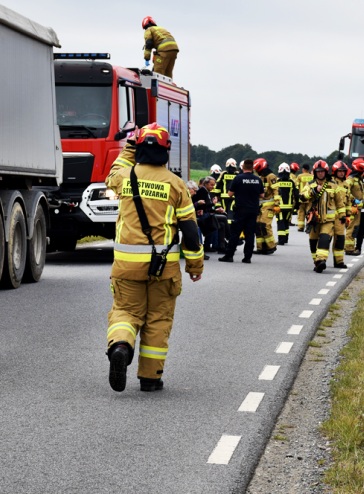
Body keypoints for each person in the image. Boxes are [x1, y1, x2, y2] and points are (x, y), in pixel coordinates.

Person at [104, 123, 203, 393]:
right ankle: (150, 379)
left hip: (126, 267)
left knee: (125, 313)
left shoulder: (124, 176)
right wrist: (195, 265)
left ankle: (121, 347)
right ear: (166, 151)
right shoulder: (176, 184)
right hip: (164, 269)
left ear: (140, 149)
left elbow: (112, 171)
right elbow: (191, 232)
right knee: (158, 320)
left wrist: (129, 146)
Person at [301, 160, 346, 273]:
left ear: (326, 172)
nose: (320, 173)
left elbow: (340, 203)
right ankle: (316, 262)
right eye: (318, 171)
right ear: (315, 173)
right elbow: (301, 198)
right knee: (313, 243)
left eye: (322, 171)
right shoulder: (310, 185)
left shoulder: (333, 185)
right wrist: (313, 191)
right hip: (314, 220)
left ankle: (322, 261)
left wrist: (343, 215)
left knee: (324, 240)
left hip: (328, 221)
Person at [219, 159, 264, 263]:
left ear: (243, 167)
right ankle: (247, 257)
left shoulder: (238, 178)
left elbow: (230, 194)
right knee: (250, 233)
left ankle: (229, 256)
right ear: (252, 168)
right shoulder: (258, 179)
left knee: (235, 233)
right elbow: (262, 195)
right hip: (253, 210)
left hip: (240, 210)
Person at [254, 158, 279, 255]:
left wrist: (277, 204)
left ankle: (271, 246)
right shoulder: (260, 177)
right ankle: (260, 248)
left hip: (269, 205)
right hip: (260, 205)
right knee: (257, 225)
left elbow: (276, 190)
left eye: (258, 170)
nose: (257, 172)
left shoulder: (271, 176)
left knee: (265, 224)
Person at [329, 161, 352, 268]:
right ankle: (320, 260)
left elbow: (348, 202)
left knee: (340, 239)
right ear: (335, 172)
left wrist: (348, 215)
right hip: (329, 216)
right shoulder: (330, 182)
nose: (342, 173)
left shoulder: (346, 185)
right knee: (326, 239)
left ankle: (339, 262)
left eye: (343, 171)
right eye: (340, 171)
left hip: (340, 218)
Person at [343, 159, 364, 255]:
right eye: (363, 169)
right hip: (353, 208)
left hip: (358, 209)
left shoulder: (358, 179)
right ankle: (349, 248)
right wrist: (353, 200)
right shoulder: (351, 179)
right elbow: (345, 190)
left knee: (355, 228)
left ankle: (350, 247)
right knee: (352, 228)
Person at [273, 163, 298, 245]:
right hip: (289, 207)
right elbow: (296, 194)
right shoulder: (292, 182)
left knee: (280, 222)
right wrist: (297, 205)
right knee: (286, 222)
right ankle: (286, 239)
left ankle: (281, 240)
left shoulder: (277, 181)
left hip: (279, 206)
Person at [216, 159, 239, 224]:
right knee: (231, 210)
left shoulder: (223, 174)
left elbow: (218, 185)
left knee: (224, 211)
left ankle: (224, 225)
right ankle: (229, 227)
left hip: (223, 197)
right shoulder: (237, 174)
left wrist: (217, 195)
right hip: (233, 197)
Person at [296, 164, 314, 231]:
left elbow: (297, 187)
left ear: (303, 169)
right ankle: (309, 226)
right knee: (310, 212)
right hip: (310, 197)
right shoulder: (312, 176)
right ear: (309, 169)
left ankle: (301, 227)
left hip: (302, 197)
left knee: (301, 212)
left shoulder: (299, 176)